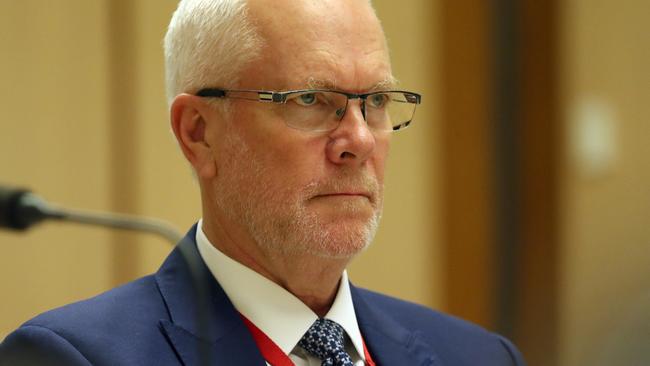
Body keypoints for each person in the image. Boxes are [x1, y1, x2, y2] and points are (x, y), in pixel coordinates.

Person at [0, 0, 526, 365]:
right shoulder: (72, 357)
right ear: (199, 133)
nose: (359, 140)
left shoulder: (480, 356)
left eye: (377, 102)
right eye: (310, 100)